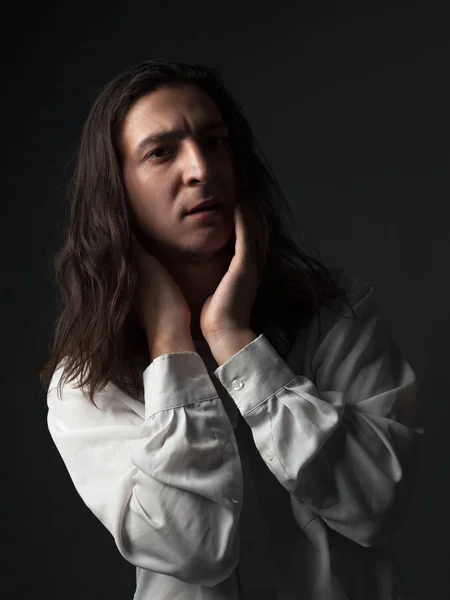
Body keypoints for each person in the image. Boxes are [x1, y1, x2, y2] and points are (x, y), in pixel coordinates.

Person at [39, 59, 423, 600]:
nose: (200, 168)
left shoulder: (337, 312)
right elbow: (192, 551)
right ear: (116, 192)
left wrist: (233, 339)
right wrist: (171, 343)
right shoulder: (85, 381)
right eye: (161, 152)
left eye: (214, 141)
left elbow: (378, 503)